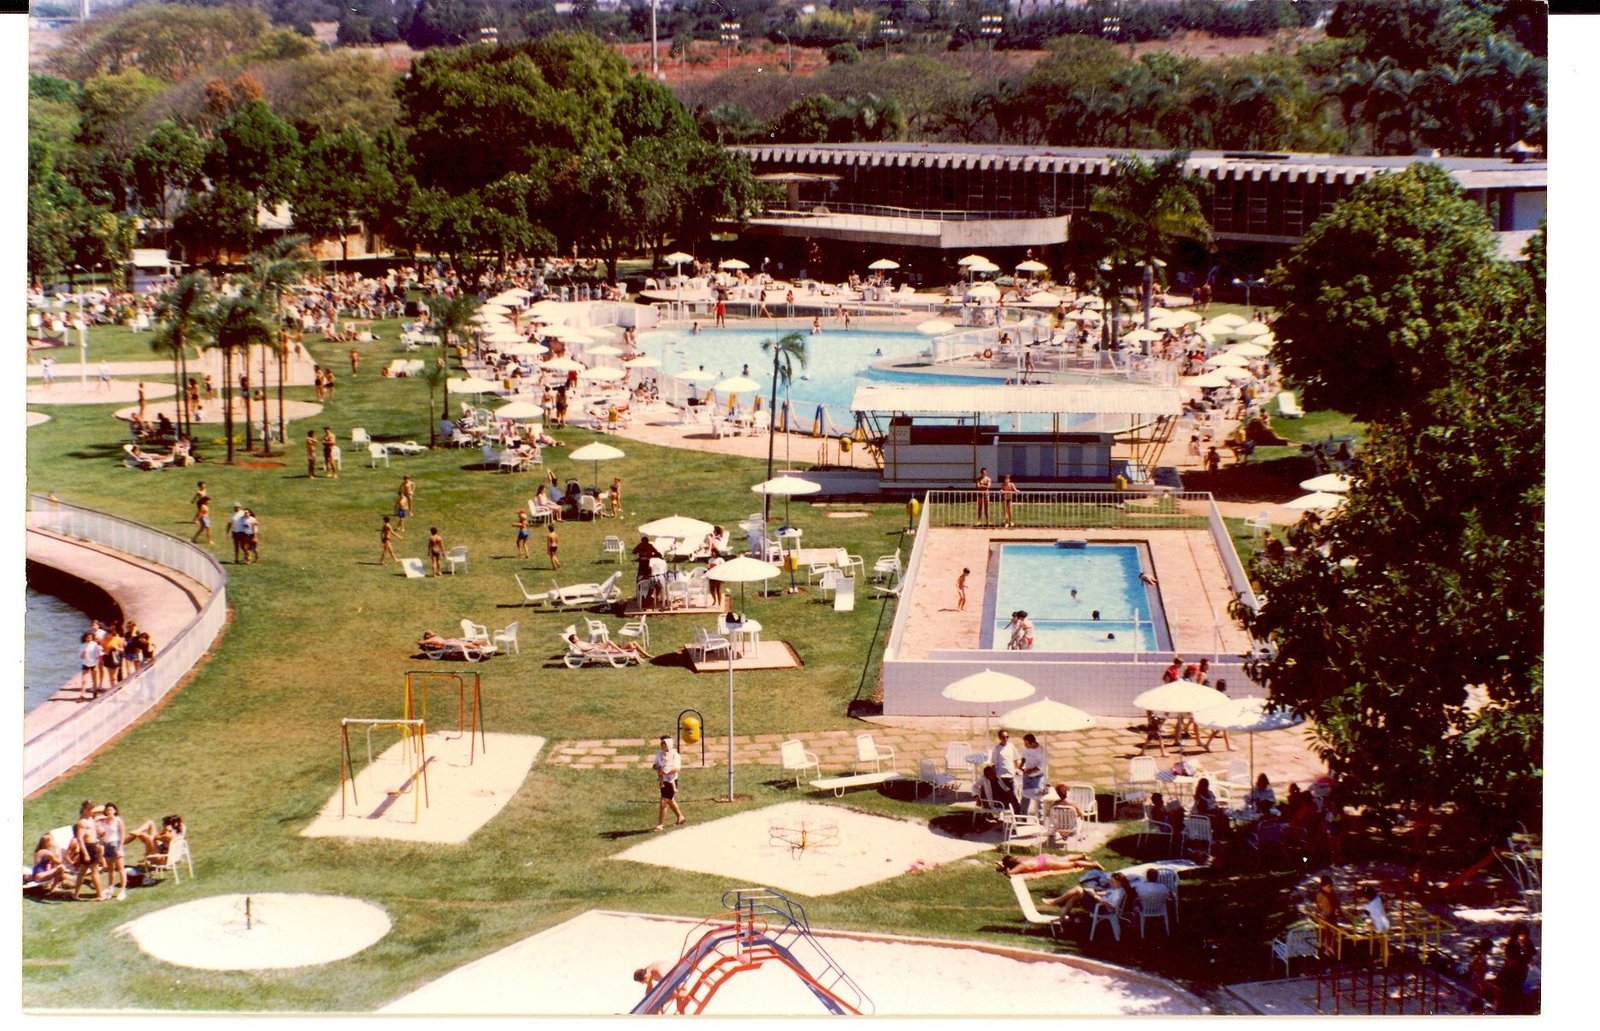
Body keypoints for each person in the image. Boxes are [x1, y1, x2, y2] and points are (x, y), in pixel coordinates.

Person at [71, 800, 108, 901]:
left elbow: (102, 808)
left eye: (92, 808)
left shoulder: (91, 818)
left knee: (82, 872)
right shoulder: (82, 822)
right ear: (84, 809)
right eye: (89, 808)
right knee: (94, 871)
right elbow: (80, 839)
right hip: (88, 847)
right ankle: (100, 895)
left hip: (93, 845)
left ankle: (75, 894)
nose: (91, 810)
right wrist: (85, 853)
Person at [652, 735, 684, 832]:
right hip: (663, 781)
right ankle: (680, 817)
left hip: (672, 781)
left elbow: (677, 768)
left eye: (664, 744)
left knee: (663, 802)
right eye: (662, 744)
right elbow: (654, 765)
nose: (663, 746)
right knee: (670, 800)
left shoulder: (675, 755)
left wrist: (666, 772)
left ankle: (660, 825)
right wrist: (657, 767)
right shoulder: (659, 754)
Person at [98, 802, 128, 900]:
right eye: (107, 810)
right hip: (107, 845)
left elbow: (122, 835)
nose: (109, 811)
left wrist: (119, 847)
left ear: (115, 810)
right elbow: (94, 814)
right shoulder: (103, 821)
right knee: (110, 870)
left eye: (111, 809)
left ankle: (123, 890)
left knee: (120, 869)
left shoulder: (118, 820)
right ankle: (110, 888)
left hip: (116, 845)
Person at [990, 730, 1022, 814]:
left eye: (1007, 737)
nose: (1005, 739)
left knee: (1012, 796)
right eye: (1003, 737)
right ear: (1000, 738)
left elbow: (1015, 759)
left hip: (1010, 775)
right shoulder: (997, 748)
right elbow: (994, 763)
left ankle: (1017, 813)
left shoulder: (1011, 746)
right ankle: (1002, 814)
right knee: (1002, 797)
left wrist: (1017, 769)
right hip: (1001, 776)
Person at [997, 853, 1102, 876]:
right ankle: (1081, 855)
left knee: (1072, 864)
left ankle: (1093, 864)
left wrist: (1004, 868)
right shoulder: (1020, 858)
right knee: (1064, 858)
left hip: (1045, 863)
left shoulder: (1021, 865)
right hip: (1042, 857)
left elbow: (1010, 873)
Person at [1313, 875, 1343, 954]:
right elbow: (1317, 905)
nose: (1331, 888)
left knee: (1334, 931)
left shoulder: (1332, 894)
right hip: (1324, 916)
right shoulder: (1320, 895)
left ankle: (1331, 947)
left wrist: (1340, 912)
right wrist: (1317, 913)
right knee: (1327, 931)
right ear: (1323, 887)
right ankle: (1326, 948)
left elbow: (1337, 904)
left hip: (1332, 915)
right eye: (1329, 886)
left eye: (1332, 886)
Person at [1019, 733, 1049, 814]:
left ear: (1032, 743)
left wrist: (1029, 771)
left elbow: (1041, 766)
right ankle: (1023, 816)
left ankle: (1040, 818)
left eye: (1026, 744)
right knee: (1025, 797)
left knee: (1039, 799)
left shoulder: (1042, 751)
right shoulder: (1026, 748)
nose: (1025, 746)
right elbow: (1024, 757)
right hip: (1027, 778)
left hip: (1038, 778)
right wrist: (1021, 765)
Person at [78, 631, 103, 700]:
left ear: (92, 638)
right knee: (84, 680)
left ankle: (95, 693)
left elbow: (99, 654)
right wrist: (83, 654)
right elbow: (80, 656)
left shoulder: (95, 645)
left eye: (90, 637)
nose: (89, 638)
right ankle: (82, 695)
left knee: (94, 679)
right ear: (85, 638)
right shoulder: (82, 645)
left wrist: (97, 662)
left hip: (94, 663)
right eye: (87, 637)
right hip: (85, 663)